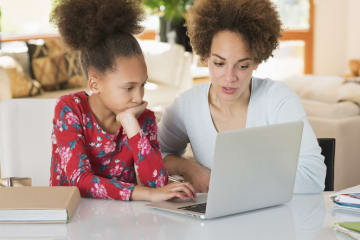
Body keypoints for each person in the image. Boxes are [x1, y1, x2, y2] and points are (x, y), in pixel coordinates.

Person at [159, 0, 326, 194]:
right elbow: (151, 157)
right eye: (220, 64)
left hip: (272, 218)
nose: (230, 78)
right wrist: (189, 168)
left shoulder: (278, 99)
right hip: (213, 220)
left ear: (256, 61)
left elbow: (313, 177)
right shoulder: (186, 106)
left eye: (243, 65)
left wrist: (236, 185)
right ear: (205, 57)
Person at [49, 0, 195, 201]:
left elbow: (157, 184)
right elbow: (78, 179)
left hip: (122, 221)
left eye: (143, 85)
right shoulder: (70, 109)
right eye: (129, 87)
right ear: (94, 84)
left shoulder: (142, 119)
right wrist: (145, 194)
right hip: (72, 218)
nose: (139, 97)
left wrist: (132, 128)